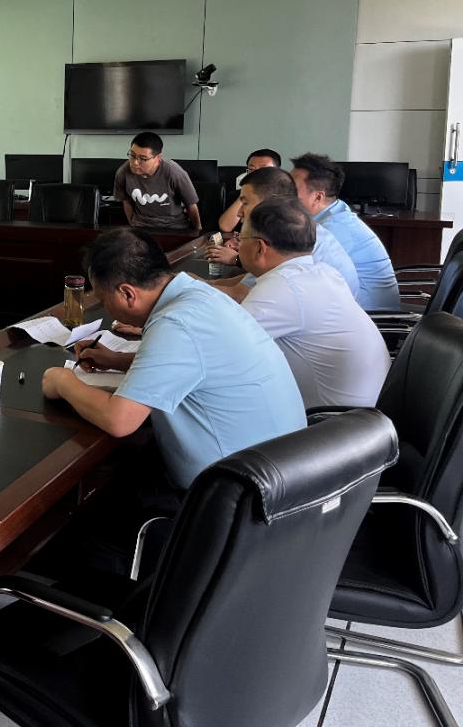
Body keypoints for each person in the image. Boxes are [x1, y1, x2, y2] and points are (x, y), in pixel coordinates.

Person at [33, 228, 305, 577]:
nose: (104, 306)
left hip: (234, 506)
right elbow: (196, 362)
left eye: (103, 298)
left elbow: (120, 420)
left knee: (81, 533)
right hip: (274, 481)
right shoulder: (196, 296)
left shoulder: (176, 322)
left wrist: (63, 382)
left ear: (127, 294)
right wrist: (117, 361)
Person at [238, 198, 389, 409]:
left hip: (331, 421)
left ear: (259, 248)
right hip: (369, 416)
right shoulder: (322, 272)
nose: (237, 244)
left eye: (241, 237)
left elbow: (222, 346)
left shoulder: (283, 287)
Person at [204, 167, 360, 303]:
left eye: (245, 203)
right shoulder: (293, 226)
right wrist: (207, 283)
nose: (239, 213)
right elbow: (251, 281)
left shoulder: (289, 236)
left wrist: (192, 285)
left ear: (270, 202)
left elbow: (239, 296)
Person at [291, 153, 401, 312]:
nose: (283, 194)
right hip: (349, 305)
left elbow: (292, 271)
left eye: (291, 189)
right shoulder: (335, 212)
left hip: (370, 316)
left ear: (318, 197)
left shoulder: (333, 229)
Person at [114, 131, 201, 231]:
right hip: (141, 226)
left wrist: (197, 230)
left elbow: (191, 205)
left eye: (143, 158)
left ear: (158, 158)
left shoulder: (174, 172)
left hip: (174, 226)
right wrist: (132, 224)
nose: (135, 163)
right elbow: (126, 201)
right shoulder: (123, 173)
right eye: (132, 155)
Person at [217, 148, 282, 235]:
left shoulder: (286, 198)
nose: (256, 174)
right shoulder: (236, 195)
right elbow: (225, 227)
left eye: (263, 170)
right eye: (251, 169)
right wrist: (245, 194)